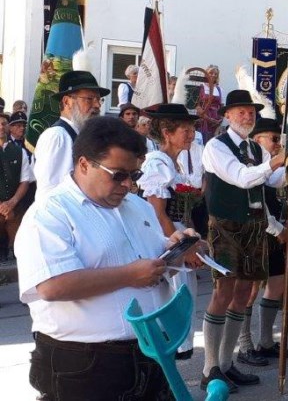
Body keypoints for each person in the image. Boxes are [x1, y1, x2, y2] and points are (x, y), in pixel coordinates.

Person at [17, 116, 198, 400]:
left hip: (150, 352)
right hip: (85, 362)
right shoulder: (49, 214)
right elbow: (52, 286)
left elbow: (151, 266)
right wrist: (129, 274)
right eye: (118, 174)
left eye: (134, 175)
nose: (128, 184)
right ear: (84, 164)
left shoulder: (138, 207)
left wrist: (177, 250)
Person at [200, 90, 286, 393]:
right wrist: (275, 163)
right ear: (227, 116)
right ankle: (210, 368)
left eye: (250, 112)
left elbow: (274, 181)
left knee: (245, 291)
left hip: (254, 225)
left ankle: (226, 364)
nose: (247, 116)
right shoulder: (216, 146)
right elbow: (242, 177)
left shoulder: (253, 146)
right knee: (223, 293)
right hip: (226, 225)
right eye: (240, 112)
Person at [135, 103, 205, 361]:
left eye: (191, 129)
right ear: (167, 132)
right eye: (184, 129)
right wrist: (181, 250)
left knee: (182, 296)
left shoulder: (173, 164)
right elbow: (157, 213)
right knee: (171, 297)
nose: (190, 134)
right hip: (166, 239)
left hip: (178, 234)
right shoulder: (158, 163)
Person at [236, 117, 288, 367]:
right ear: (257, 141)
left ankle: (266, 340)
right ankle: (245, 345)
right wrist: (278, 229)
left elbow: (279, 179)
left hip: (273, 232)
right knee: (249, 290)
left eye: (278, 138)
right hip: (256, 232)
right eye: (273, 139)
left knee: (277, 282)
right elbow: (256, 203)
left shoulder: (268, 166)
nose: (277, 143)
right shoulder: (250, 166)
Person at [33, 70, 110, 202]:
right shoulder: (57, 136)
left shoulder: (82, 135)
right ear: (67, 101)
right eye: (89, 99)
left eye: (98, 99)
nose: (97, 105)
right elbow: (49, 192)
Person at [0, 113, 35, 263]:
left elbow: (25, 180)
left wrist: (12, 202)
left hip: (15, 206)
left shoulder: (19, 151)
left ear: (8, 127)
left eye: (4, 123)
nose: (1, 127)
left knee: (20, 248)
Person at [197, 65, 224, 143]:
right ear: (206, 74)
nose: (213, 75)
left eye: (216, 74)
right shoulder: (200, 87)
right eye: (211, 73)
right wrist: (209, 119)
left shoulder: (220, 89)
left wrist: (219, 121)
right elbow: (197, 106)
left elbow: (222, 107)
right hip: (203, 122)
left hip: (216, 123)